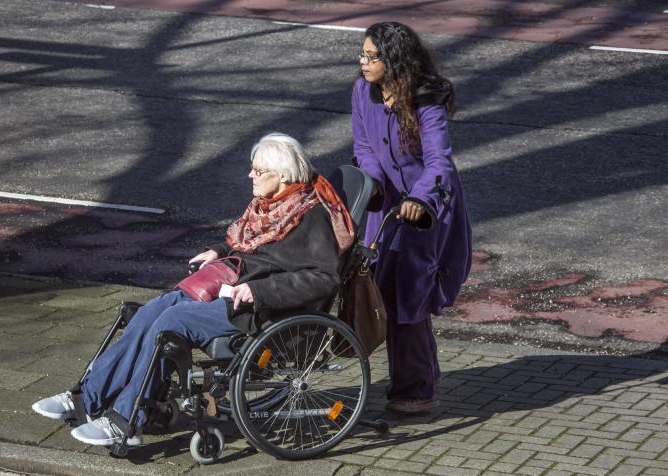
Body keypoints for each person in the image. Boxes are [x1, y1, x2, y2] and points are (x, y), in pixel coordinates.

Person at [32, 132, 355, 446]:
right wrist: (218, 249)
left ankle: (127, 419)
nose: (250, 176)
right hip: (235, 285)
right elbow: (248, 246)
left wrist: (261, 292)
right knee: (154, 309)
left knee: (172, 323)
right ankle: (86, 398)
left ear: (283, 175)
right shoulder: (272, 205)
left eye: (258, 170)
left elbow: (323, 278)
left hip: (262, 309)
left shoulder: (310, 216)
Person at [351, 22, 472, 414]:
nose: (363, 62)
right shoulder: (362, 91)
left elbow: (438, 161)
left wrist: (419, 198)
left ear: (395, 60)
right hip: (387, 207)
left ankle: (416, 391)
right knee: (384, 290)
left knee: (410, 295)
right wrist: (373, 186)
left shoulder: (426, 99)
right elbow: (364, 146)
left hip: (428, 208)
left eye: (372, 56)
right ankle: (421, 377)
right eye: (362, 54)